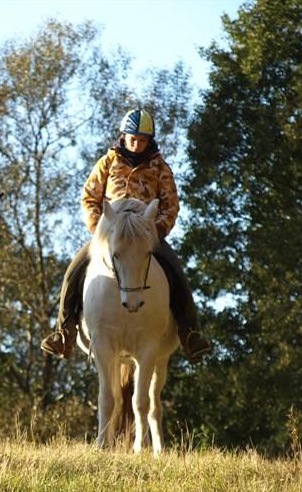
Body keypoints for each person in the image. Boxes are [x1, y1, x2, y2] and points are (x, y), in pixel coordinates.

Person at [40, 109, 211, 361]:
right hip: (110, 235)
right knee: (73, 271)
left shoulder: (160, 167)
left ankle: (190, 333)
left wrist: (155, 231)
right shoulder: (107, 162)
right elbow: (89, 197)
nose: (137, 144)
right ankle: (64, 332)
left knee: (176, 271)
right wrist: (100, 229)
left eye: (142, 140)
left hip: (145, 236)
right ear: (124, 135)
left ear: (149, 141)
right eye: (133, 138)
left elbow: (170, 204)